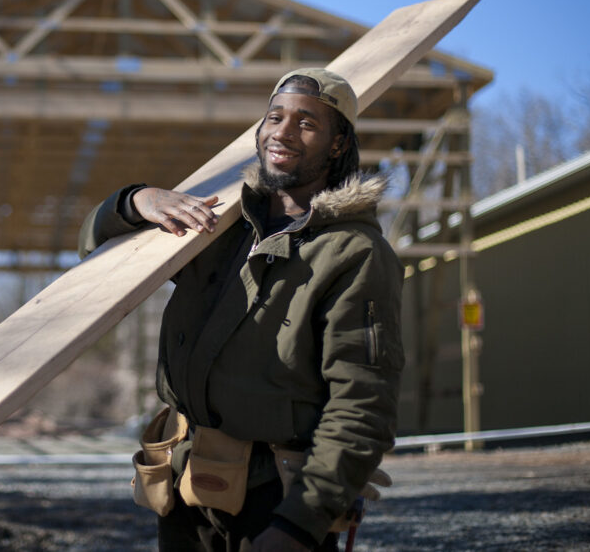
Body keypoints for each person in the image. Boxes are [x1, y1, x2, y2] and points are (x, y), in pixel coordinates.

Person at [78, 68, 404, 552]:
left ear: (337, 145)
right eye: (275, 116)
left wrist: (299, 524)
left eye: (307, 123)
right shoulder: (217, 224)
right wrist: (134, 201)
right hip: (186, 481)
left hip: (277, 498)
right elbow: (95, 254)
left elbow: (360, 407)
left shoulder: (353, 254)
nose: (283, 132)